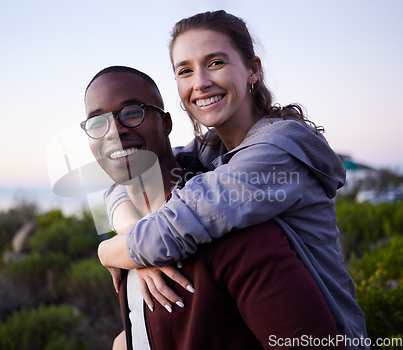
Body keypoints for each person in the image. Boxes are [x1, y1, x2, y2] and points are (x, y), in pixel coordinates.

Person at [97, 10, 368, 348]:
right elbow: (127, 181)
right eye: (185, 70)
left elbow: (167, 234)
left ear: (253, 69)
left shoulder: (275, 151)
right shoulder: (210, 150)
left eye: (215, 63)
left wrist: (109, 251)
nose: (200, 82)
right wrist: (133, 237)